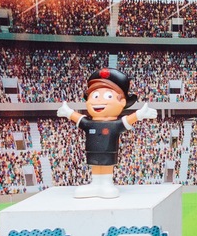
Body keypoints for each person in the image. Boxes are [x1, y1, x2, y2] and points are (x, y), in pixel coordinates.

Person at [57, 68, 159, 198]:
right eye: (95, 96)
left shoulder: (114, 125)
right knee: (95, 164)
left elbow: (126, 121)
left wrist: (139, 114)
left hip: (108, 151)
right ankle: (95, 184)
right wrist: (68, 112)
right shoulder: (89, 123)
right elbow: (79, 119)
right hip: (92, 151)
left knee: (106, 164)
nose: (99, 101)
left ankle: (106, 183)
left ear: (122, 102)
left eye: (108, 96)